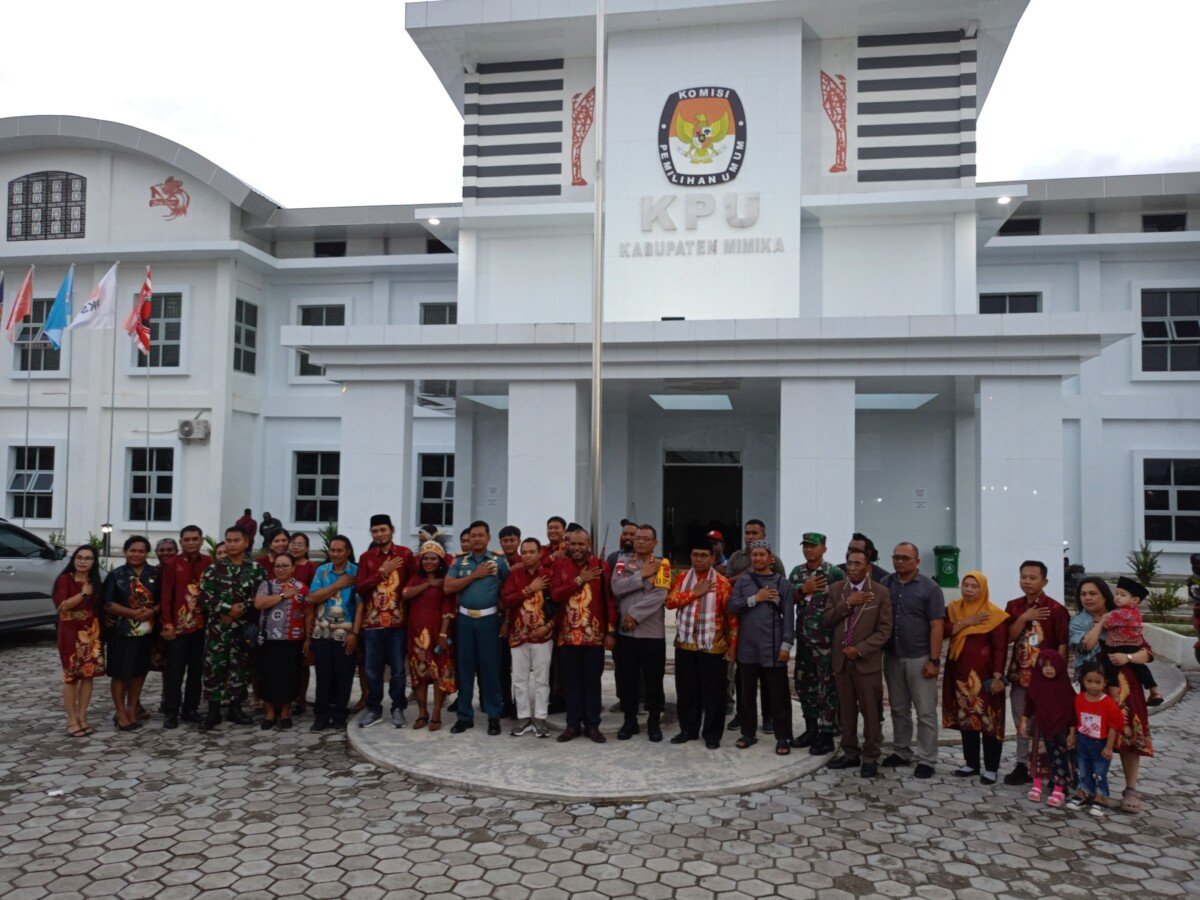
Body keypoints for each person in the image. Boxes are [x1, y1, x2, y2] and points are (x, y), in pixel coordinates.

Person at [824, 550, 893, 777]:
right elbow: (827, 619)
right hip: (841, 662)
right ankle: (850, 752)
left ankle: (870, 756)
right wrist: (848, 603)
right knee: (846, 711)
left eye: (857, 564)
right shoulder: (836, 589)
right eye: (849, 564)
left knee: (871, 711)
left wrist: (860, 649)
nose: (852, 568)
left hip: (866, 662)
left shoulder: (880, 592)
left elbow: (884, 630)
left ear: (867, 567)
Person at [880, 542, 946, 779]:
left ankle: (927, 759)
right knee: (899, 708)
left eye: (905, 558)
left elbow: (937, 625)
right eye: (896, 557)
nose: (900, 561)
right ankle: (902, 751)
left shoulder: (930, 588)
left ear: (917, 561)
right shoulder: (885, 584)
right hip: (892, 657)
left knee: (925, 712)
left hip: (920, 658)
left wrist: (934, 661)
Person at [1002, 560, 1069, 787]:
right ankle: (1022, 765)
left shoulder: (1056, 609)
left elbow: (1062, 644)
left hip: (1046, 678)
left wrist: (1059, 677)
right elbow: (1007, 638)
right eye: (1023, 577)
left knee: (1047, 722)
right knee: (1021, 720)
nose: (1027, 581)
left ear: (1044, 581)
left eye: (1033, 578)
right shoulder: (1013, 606)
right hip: (1019, 675)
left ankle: (1048, 767)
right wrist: (1024, 618)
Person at [728, 540, 795, 755]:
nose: (758, 558)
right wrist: (755, 598)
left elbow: (788, 618)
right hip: (747, 647)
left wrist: (786, 646)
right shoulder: (743, 581)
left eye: (762, 554)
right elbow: (732, 605)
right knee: (746, 695)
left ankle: (783, 736)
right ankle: (748, 733)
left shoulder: (782, 583)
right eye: (754, 555)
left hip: (773, 647)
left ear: (770, 558)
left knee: (779, 695)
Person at [667, 542, 736, 749]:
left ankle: (712, 734)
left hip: (714, 645)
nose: (698, 559)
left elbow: (732, 618)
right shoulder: (682, 578)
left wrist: (733, 646)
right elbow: (670, 602)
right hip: (686, 643)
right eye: (695, 554)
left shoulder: (722, 583)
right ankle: (687, 730)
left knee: (714, 693)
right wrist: (694, 592)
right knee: (686, 690)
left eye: (704, 555)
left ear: (713, 558)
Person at [943, 571, 1009, 784]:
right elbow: (944, 630)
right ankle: (971, 763)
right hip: (959, 675)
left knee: (989, 720)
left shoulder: (994, 614)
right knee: (966, 717)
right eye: (966, 585)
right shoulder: (954, 609)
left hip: (985, 678)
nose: (969, 590)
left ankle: (991, 768)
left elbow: (1000, 648)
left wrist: (998, 676)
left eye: (974, 586)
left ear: (983, 589)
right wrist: (967, 621)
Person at [445, 520, 510, 735]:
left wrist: (507, 620)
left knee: (490, 669)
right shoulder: (460, 561)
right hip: (465, 621)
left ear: (488, 537)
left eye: (481, 535)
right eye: (473, 535)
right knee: (464, 668)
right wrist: (475, 575)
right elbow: (448, 586)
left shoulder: (498, 561)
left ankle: (493, 715)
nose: (476, 539)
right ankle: (464, 716)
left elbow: (508, 589)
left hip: (489, 621)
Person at [551, 528, 615, 743]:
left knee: (592, 681)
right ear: (568, 545)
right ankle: (572, 725)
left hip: (594, 636)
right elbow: (555, 595)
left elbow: (609, 601)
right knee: (571, 682)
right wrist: (579, 580)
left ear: (589, 545)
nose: (577, 548)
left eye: (581, 544)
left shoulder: (601, 566)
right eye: (573, 544)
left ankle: (592, 725)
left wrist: (610, 631)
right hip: (568, 635)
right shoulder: (560, 566)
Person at [723, 519, 784, 733]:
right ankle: (742, 714)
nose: (750, 536)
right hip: (741, 622)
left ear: (763, 534)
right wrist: (748, 573)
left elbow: (782, 589)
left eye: (755, 533)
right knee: (743, 675)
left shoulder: (775, 560)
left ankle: (768, 717)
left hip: (767, 626)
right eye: (747, 532)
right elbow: (726, 583)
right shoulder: (736, 557)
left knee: (767, 674)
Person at [199, 525, 263, 730]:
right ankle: (213, 710)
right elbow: (204, 596)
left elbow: (260, 595)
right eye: (229, 540)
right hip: (218, 628)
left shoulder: (255, 568)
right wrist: (226, 610)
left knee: (240, 667)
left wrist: (240, 610)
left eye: (236, 540)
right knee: (213, 668)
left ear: (246, 542)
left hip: (242, 628)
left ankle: (236, 708)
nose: (232, 544)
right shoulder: (214, 568)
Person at [610, 524, 670, 742]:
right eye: (637, 538)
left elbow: (660, 594)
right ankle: (630, 720)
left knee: (654, 680)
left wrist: (634, 613)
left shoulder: (662, 564)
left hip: (652, 634)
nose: (641, 541)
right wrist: (641, 575)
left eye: (646, 538)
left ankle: (654, 721)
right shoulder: (623, 562)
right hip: (627, 635)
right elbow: (616, 588)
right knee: (628, 679)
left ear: (655, 543)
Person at [355, 514, 415, 729]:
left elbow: (413, 583)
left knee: (398, 670)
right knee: (373, 670)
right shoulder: (366, 557)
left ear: (392, 530)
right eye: (375, 531)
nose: (379, 534)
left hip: (398, 623)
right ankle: (374, 708)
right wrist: (381, 573)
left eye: (383, 530)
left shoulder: (405, 554)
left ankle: (398, 707)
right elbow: (360, 587)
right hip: (373, 623)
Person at [787, 532, 844, 755]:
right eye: (806, 546)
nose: (809, 549)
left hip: (826, 642)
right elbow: (788, 601)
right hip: (803, 641)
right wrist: (804, 589)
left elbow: (843, 606)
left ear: (824, 549)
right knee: (804, 685)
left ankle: (827, 734)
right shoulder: (797, 572)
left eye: (813, 546)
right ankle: (811, 729)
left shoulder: (834, 573)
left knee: (826, 689)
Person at [500, 537, 557, 738]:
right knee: (519, 679)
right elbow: (506, 600)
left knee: (542, 680)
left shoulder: (549, 575)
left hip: (542, 636)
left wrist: (548, 626)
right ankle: (523, 718)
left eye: (532, 552)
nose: (527, 556)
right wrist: (529, 590)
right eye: (524, 552)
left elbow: (559, 605)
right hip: (518, 635)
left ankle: (540, 718)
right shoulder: (515, 575)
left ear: (540, 554)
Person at [103, 535, 160, 731]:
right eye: (132, 550)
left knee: (139, 672)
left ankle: (132, 709)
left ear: (147, 553)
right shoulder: (116, 574)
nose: (136, 554)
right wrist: (133, 613)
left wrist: (153, 611)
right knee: (120, 673)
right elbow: (108, 603)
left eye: (141, 551)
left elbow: (164, 599)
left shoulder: (155, 574)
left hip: (146, 633)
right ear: (125, 551)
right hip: (120, 633)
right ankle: (120, 713)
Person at [159, 525, 212, 729]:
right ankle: (171, 711)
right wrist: (167, 623)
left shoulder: (208, 562)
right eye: (187, 539)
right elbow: (166, 595)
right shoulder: (171, 563)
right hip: (178, 627)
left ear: (201, 541)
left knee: (196, 671)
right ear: (181, 542)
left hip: (201, 626)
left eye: (195, 539)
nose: (191, 542)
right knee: (174, 671)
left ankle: (190, 709)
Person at [308, 535, 361, 730]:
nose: (335, 554)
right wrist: (337, 585)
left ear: (348, 552)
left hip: (346, 633)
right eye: (332, 550)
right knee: (323, 676)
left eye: (340, 550)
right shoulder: (322, 571)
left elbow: (360, 605)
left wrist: (355, 634)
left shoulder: (356, 572)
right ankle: (321, 716)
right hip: (322, 632)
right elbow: (313, 597)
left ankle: (340, 715)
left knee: (344, 676)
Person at [402, 541, 456, 732]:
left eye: (433, 558)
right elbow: (405, 594)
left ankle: (436, 714)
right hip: (416, 635)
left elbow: (448, 609)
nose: (429, 562)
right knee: (419, 674)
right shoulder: (416, 578)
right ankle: (422, 713)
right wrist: (428, 584)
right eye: (426, 558)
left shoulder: (445, 580)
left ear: (440, 561)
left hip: (438, 633)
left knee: (438, 673)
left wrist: (443, 633)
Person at [254, 553, 311, 730]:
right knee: (268, 675)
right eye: (278, 566)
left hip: (292, 639)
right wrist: (283, 595)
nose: (281, 569)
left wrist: (308, 638)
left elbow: (308, 613)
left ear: (293, 568)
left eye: (285, 565)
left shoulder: (302, 588)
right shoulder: (267, 585)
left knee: (289, 676)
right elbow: (259, 604)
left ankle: (285, 712)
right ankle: (270, 713)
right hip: (269, 639)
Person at [53, 546, 105, 736]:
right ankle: (71, 719)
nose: (83, 561)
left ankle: (82, 717)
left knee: (88, 675)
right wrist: (83, 593)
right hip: (69, 631)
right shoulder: (64, 579)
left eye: (88, 558)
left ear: (94, 562)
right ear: (73, 559)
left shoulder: (95, 582)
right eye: (79, 557)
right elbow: (63, 606)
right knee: (71, 676)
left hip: (91, 632)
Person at [1018, 648, 1075, 808]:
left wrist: (1072, 733)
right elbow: (1029, 706)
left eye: (1052, 665)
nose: (1049, 669)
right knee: (1038, 756)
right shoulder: (1037, 685)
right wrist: (1023, 722)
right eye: (1045, 666)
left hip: (1060, 730)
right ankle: (1037, 785)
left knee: (1059, 758)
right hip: (1040, 728)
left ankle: (1059, 789)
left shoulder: (1065, 687)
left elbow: (1072, 712)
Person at [1067, 662, 1125, 816]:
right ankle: (1082, 795)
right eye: (1089, 681)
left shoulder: (1108, 703)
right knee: (1081, 770)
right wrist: (1072, 736)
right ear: (1083, 681)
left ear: (1105, 682)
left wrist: (1109, 746)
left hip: (1100, 744)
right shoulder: (1079, 699)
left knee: (1099, 772)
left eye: (1098, 682)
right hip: (1082, 741)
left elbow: (1114, 726)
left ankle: (1099, 799)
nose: (1093, 686)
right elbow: (1074, 719)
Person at [1102, 576, 1161, 704]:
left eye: (1122, 595)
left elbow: (1108, 625)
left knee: (1110, 668)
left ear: (1135, 600)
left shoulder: (1119, 613)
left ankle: (1115, 697)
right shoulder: (1136, 612)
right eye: (1116, 594)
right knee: (1141, 668)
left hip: (1118, 646)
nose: (1117, 597)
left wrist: (1105, 620)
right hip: (1135, 646)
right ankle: (1154, 692)